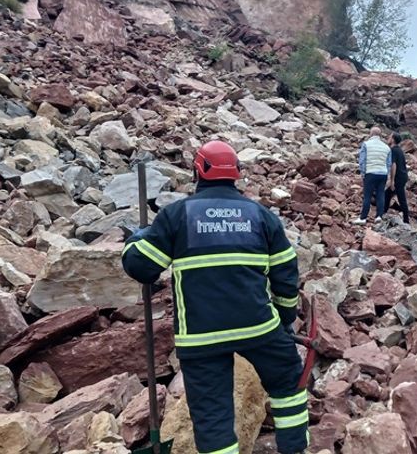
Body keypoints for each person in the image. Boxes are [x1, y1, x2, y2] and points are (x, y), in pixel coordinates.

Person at [122, 140, 308, 454]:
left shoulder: (177, 215)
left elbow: (142, 268)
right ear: (236, 173)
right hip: (258, 329)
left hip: (200, 337)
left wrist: (136, 238)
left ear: (198, 171)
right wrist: (286, 319)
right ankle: (294, 448)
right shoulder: (259, 215)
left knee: (212, 416)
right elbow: (286, 273)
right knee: (288, 383)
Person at [353, 126, 392, 225]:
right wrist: (387, 174)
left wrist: (363, 173)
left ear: (371, 134)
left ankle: (363, 218)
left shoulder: (366, 144)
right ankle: (379, 216)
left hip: (370, 172)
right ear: (380, 135)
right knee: (380, 195)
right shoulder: (386, 147)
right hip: (382, 173)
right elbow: (389, 163)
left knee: (367, 196)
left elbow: (362, 160)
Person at [383, 132, 410, 224]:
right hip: (403, 175)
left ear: (393, 139)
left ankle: (406, 220)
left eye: (389, 137)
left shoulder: (393, 150)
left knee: (401, 197)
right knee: (387, 194)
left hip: (398, 177)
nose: (388, 138)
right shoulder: (399, 150)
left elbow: (393, 165)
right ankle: (383, 213)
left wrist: (392, 180)